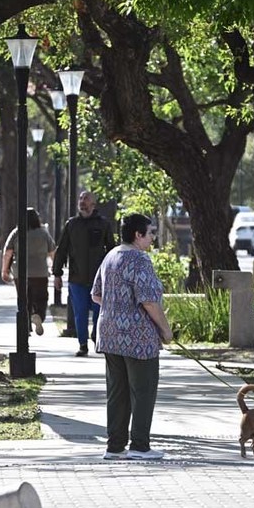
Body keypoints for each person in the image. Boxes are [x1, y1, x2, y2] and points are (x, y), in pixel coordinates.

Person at [91, 213, 173, 460]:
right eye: (150, 233)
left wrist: (117, 310)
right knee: (143, 391)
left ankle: (115, 446)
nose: (152, 238)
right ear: (138, 234)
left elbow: (96, 294)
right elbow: (148, 300)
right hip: (138, 338)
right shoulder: (139, 259)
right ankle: (139, 446)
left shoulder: (110, 256)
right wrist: (165, 330)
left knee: (117, 392)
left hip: (109, 334)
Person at [52, 191, 116, 356]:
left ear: (93, 204)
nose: (82, 201)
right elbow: (62, 250)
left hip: (99, 280)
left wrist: (113, 274)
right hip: (77, 278)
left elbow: (112, 251)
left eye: (86, 199)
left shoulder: (103, 224)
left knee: (99, 313)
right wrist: (57, 274)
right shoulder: (72, 224)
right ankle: (82, 344)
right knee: (80, 313)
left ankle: (96, 337)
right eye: (80, 198)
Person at [1, 208, 56, 335]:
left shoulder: (16, 232)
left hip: (20, 272)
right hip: (40, 272)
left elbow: (8, 252)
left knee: (24, 299)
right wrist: (55, 267)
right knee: (41, 298)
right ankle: (39, 315)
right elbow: (53, 251)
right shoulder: (43, 233)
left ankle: (26, 327)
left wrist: (4, 270)